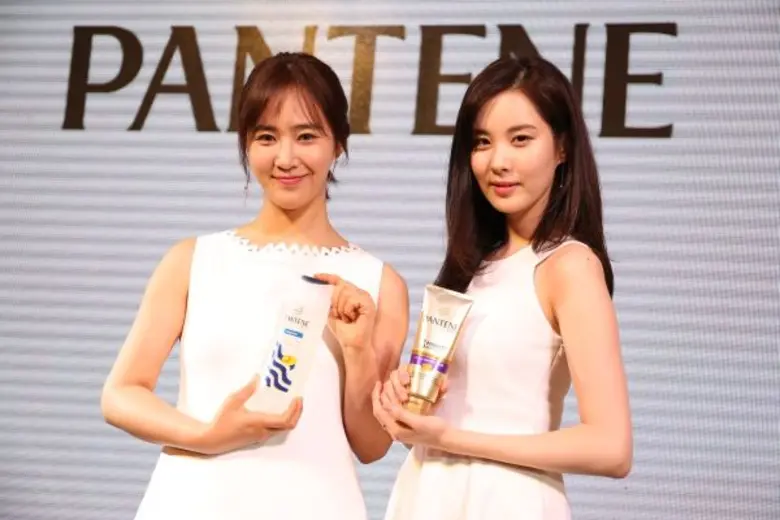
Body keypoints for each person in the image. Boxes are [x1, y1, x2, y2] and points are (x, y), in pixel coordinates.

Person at [100, 52, 409, 520]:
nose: (286, 158)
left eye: (306, 136)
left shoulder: (378, 283)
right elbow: (121, 393)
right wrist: (206, 435)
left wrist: (358, 350)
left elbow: (371, 445)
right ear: (246, 144)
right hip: (192, 503)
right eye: (267, 136)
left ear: (338, 144)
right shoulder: (192, 260)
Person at [372, 55, 633, 519]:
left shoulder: (569, 266)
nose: (498, 162)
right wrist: (403, 403)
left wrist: (452, 439)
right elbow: (433, 421)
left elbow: (611, 448)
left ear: (562, 148)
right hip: (427, 495)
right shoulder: (468, 269)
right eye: (482, 142)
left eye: (521, 139)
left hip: (509, 501)